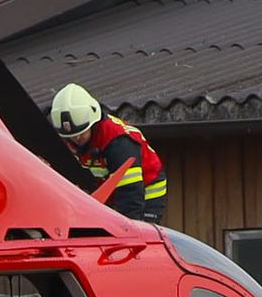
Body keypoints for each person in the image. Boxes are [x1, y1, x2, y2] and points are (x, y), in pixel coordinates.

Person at [44, 83, 170, 214]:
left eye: (82, 132)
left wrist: (127, 226)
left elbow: (130, 192)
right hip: (112, 196)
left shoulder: (118, 141)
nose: (77, 138)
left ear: (93, 122)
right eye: (72, 135)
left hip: (146, 195)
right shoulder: (68, 141)